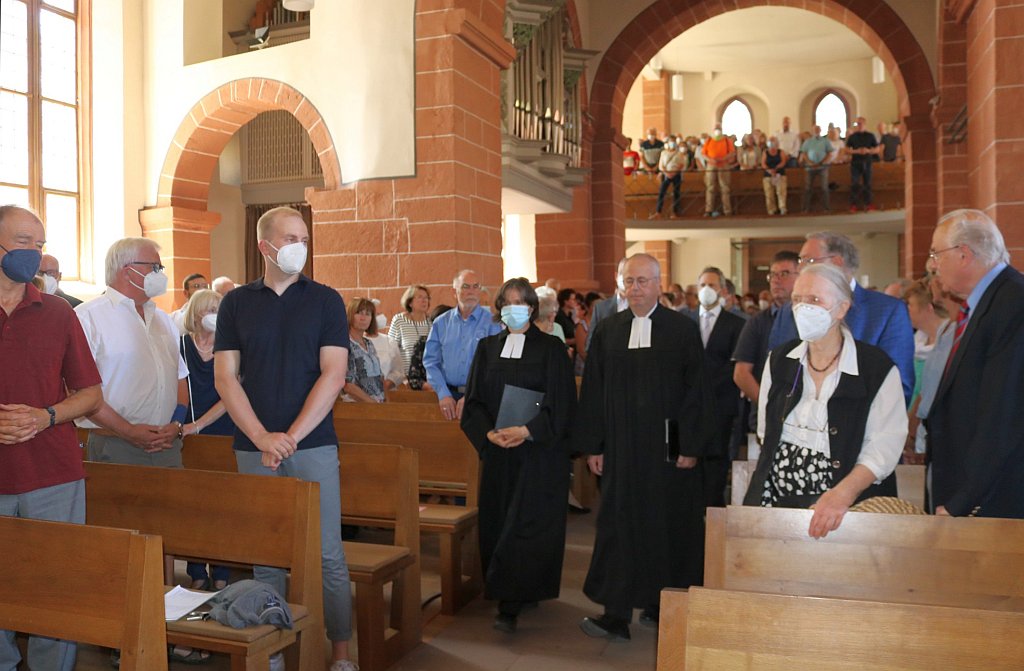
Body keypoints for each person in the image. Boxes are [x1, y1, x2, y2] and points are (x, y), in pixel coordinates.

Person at [213, 206, 357, 671]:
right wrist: (260, 437)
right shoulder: (236, 303)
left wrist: (289, 437)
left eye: (304, 237)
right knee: (267, 554)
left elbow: (334, 375)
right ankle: (272, 650)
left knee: (327, 555)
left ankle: (341, 653)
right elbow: (226, 378)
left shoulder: (326, 300)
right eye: (290, 237)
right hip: (254, 445)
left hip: (312, 443)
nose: (300, 245)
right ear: (265, 246)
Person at [576, 253, 712, 640]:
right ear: (620, 285)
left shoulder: (681, 330)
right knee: (617, 526)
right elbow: (595, 393)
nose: (635, 288)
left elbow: (696, 392)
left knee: (665, 524)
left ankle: (659, 604)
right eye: (629, 281)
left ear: (658, 284)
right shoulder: (608, 330)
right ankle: (615, 614)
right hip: (619, 448)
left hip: (666, 449)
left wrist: (689, 445)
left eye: (643, 281)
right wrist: (594, 446)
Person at [0, 206, 102, 671]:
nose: (34, 254)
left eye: (39, 245)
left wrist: (45, 416)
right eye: (24, 241)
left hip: (53, 474)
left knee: (56, 588)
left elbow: (91, 394)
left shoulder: (59, 311)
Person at [745, 263, 907, 539]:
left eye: (815, 300)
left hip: (850, 506)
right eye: (797, 300)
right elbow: (766, 431)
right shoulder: (779, 360)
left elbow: (885, 445)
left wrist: (842, 495)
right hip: (776, 502)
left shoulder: (875, 368)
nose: (803, 308)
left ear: (842, 308)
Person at [460, 278, 577, 634]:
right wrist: (489, 434)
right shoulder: (486, 348)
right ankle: (505, 594)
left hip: (537, 452)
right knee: (499, 521)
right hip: (497, 453)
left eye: (520, 302)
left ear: (531, 307)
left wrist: (527, 431)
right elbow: (474, 402)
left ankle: (520, 596)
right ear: (499, 307)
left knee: (529, 523)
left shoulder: (552, 349)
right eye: (507, 302)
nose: (514, 308)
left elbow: (563, 403)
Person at [924, 209, 1024, 519]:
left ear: (963, 254)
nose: (932, 265)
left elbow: (1003, 412)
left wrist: (963, 500)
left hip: (995, 494)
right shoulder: (989, 301)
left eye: (935, 254)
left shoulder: (1013, 302)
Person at [76, 238, 189, 468]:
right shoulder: (87, 318)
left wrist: (176, 424)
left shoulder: (163, 320)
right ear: (127, 272)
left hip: (166, 445)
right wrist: (128, 431)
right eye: (154, 267)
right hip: (114, 444)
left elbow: (179, 379)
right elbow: (77, 391)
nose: (160, 274)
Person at [769, 231, 916, 403]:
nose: (800, 269)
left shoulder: (887, 311)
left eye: (808, 261)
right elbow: (775, 374)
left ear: (837, 262)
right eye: (800, 262)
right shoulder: (788, 312)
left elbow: (898, 386)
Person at [178, 288, 235, 592]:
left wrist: (198, 425)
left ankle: (223, 571)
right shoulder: (180, 345)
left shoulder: (230, 348)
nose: (212, 313)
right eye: (207, 308)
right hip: (187, 433)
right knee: (193, 505)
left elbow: (230, 396)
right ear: (195, 313)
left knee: (222, 506)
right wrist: (184, 426)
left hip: (222, 430)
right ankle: (197, 570)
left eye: (218, 308)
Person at [694, 267, 745, 508]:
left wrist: (707, 387)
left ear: (722, 290)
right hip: (691, 403)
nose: (707, 290)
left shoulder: (736, 323)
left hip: (721, 402)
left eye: (712, 285)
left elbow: (733, 364)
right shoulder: (685, 319)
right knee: (689, 454)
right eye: (703, 284)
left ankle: (712, 507)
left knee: (716, 457)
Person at [423, 269, 503, 421]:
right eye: (466, 286)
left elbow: (494, 365)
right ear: (455, 291)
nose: (471, 291)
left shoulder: (493, 323)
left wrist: (471, 395)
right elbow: (431, 362)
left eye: (476, 286)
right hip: (448, 397)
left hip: (481, 396)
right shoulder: (441, 323)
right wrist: (443, 393)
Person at [733, 251, 799, 428]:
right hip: (766, 416)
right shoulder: (758, 321)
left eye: (784, 274)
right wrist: (768, 404)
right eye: (773, 275)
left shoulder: (810, 319)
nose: (776, 280)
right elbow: (741, 373)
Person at [342, 297, 386, 403]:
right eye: (359, 313)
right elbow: (348, 385)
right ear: (350, 315)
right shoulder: (344, 344)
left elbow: (380, 378)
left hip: (378, 403)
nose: (363, 318)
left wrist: (386, 402)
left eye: (368, 314)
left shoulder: (369, 343)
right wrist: (372, 404)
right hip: (357, 407)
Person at [389, 284, 432, 389]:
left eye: (426, 298)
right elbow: (391, 351)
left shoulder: (432, 322)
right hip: (405, 380)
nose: (424, 300)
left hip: (428, 381)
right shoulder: (399, 320)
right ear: (410, 302)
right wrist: (402, 378)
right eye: (420, 297)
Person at [587, 257, 628, 351]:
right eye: (623, 273)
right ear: (616, 276)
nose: (626, 278)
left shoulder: (642, 307)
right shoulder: (601, 308)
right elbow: (591, 342)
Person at [367, 307, 406, 391]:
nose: (380, 317)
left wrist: (387, 384)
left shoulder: (389, 342)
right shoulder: (354, 341)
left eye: (380, 314)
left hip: (386, 391)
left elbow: (398, 371)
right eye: (376, 315)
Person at [846, 117, 879, 212]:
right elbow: (847, 150)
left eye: (860, 123)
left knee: (867, 184)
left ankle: (869, 204)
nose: (859, 125)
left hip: (867, 162)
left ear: (865, 124)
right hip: (855, 163)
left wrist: (868, 150)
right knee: (854, 184)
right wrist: (857, 151)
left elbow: (877, 149)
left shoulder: (870, 135)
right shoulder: (852, 136)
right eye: (857, 124)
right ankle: (853, 205)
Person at [702, 124, 736, 217]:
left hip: (723, 165)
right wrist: (710, 160)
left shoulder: (726, 140)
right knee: (710, 187)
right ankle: (708, 210)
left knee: (725, 187)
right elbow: (704, 154)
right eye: (716, 128)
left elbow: (732, 152)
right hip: (711, 165)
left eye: (719, 128)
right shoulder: (709, 140)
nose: (717, 130)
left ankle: (727, 210)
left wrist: (723, 158)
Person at [799, 125, 834, 213]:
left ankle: (826, 208)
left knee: (824, 188)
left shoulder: (825, 141)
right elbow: (804, 153)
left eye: (818, 129)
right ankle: (805, 209)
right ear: (812, 131)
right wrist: (810, 163)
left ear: (820, 130)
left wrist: (821, 162)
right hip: (810, 167)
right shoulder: (808, 141)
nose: (817, 131)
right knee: (808, 188)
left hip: (822, 167)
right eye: (815, 129)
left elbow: (829, 153)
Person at [651, 137, 687, 219]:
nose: (672, 143)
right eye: (671, 142)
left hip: (676, 174)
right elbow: (661, 165)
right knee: (662, 192)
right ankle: (658, 212)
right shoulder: (664, 153)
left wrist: (674, 172)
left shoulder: (679, 154)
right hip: (666, 175)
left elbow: (682, 164)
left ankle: (674, 212)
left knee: (676, 193)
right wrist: (667, 173)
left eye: (673, 142)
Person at [761, 136, 789, 216]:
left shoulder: (781, 151)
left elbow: (783, 162)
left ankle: (782, 208)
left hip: (779, 174)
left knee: (781, 191)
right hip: (768, 175)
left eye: (774, 142)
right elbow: (763, 163)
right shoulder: (765, 152)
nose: (772, 144)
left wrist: (776, 169)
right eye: (770, 142)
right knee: (769, 193)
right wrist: (769, 170)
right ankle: (771, 209)